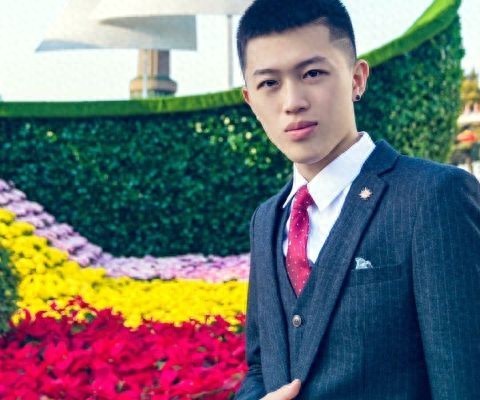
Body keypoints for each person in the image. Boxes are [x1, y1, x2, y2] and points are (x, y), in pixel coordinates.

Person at [234, 0, 480, 399]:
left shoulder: (432, 196)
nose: (292, 101)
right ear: (250, 100)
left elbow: (463, 380)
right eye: (269, 84)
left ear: (356, 78)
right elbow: (262, 366)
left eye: (312, 73)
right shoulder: (266, 220)